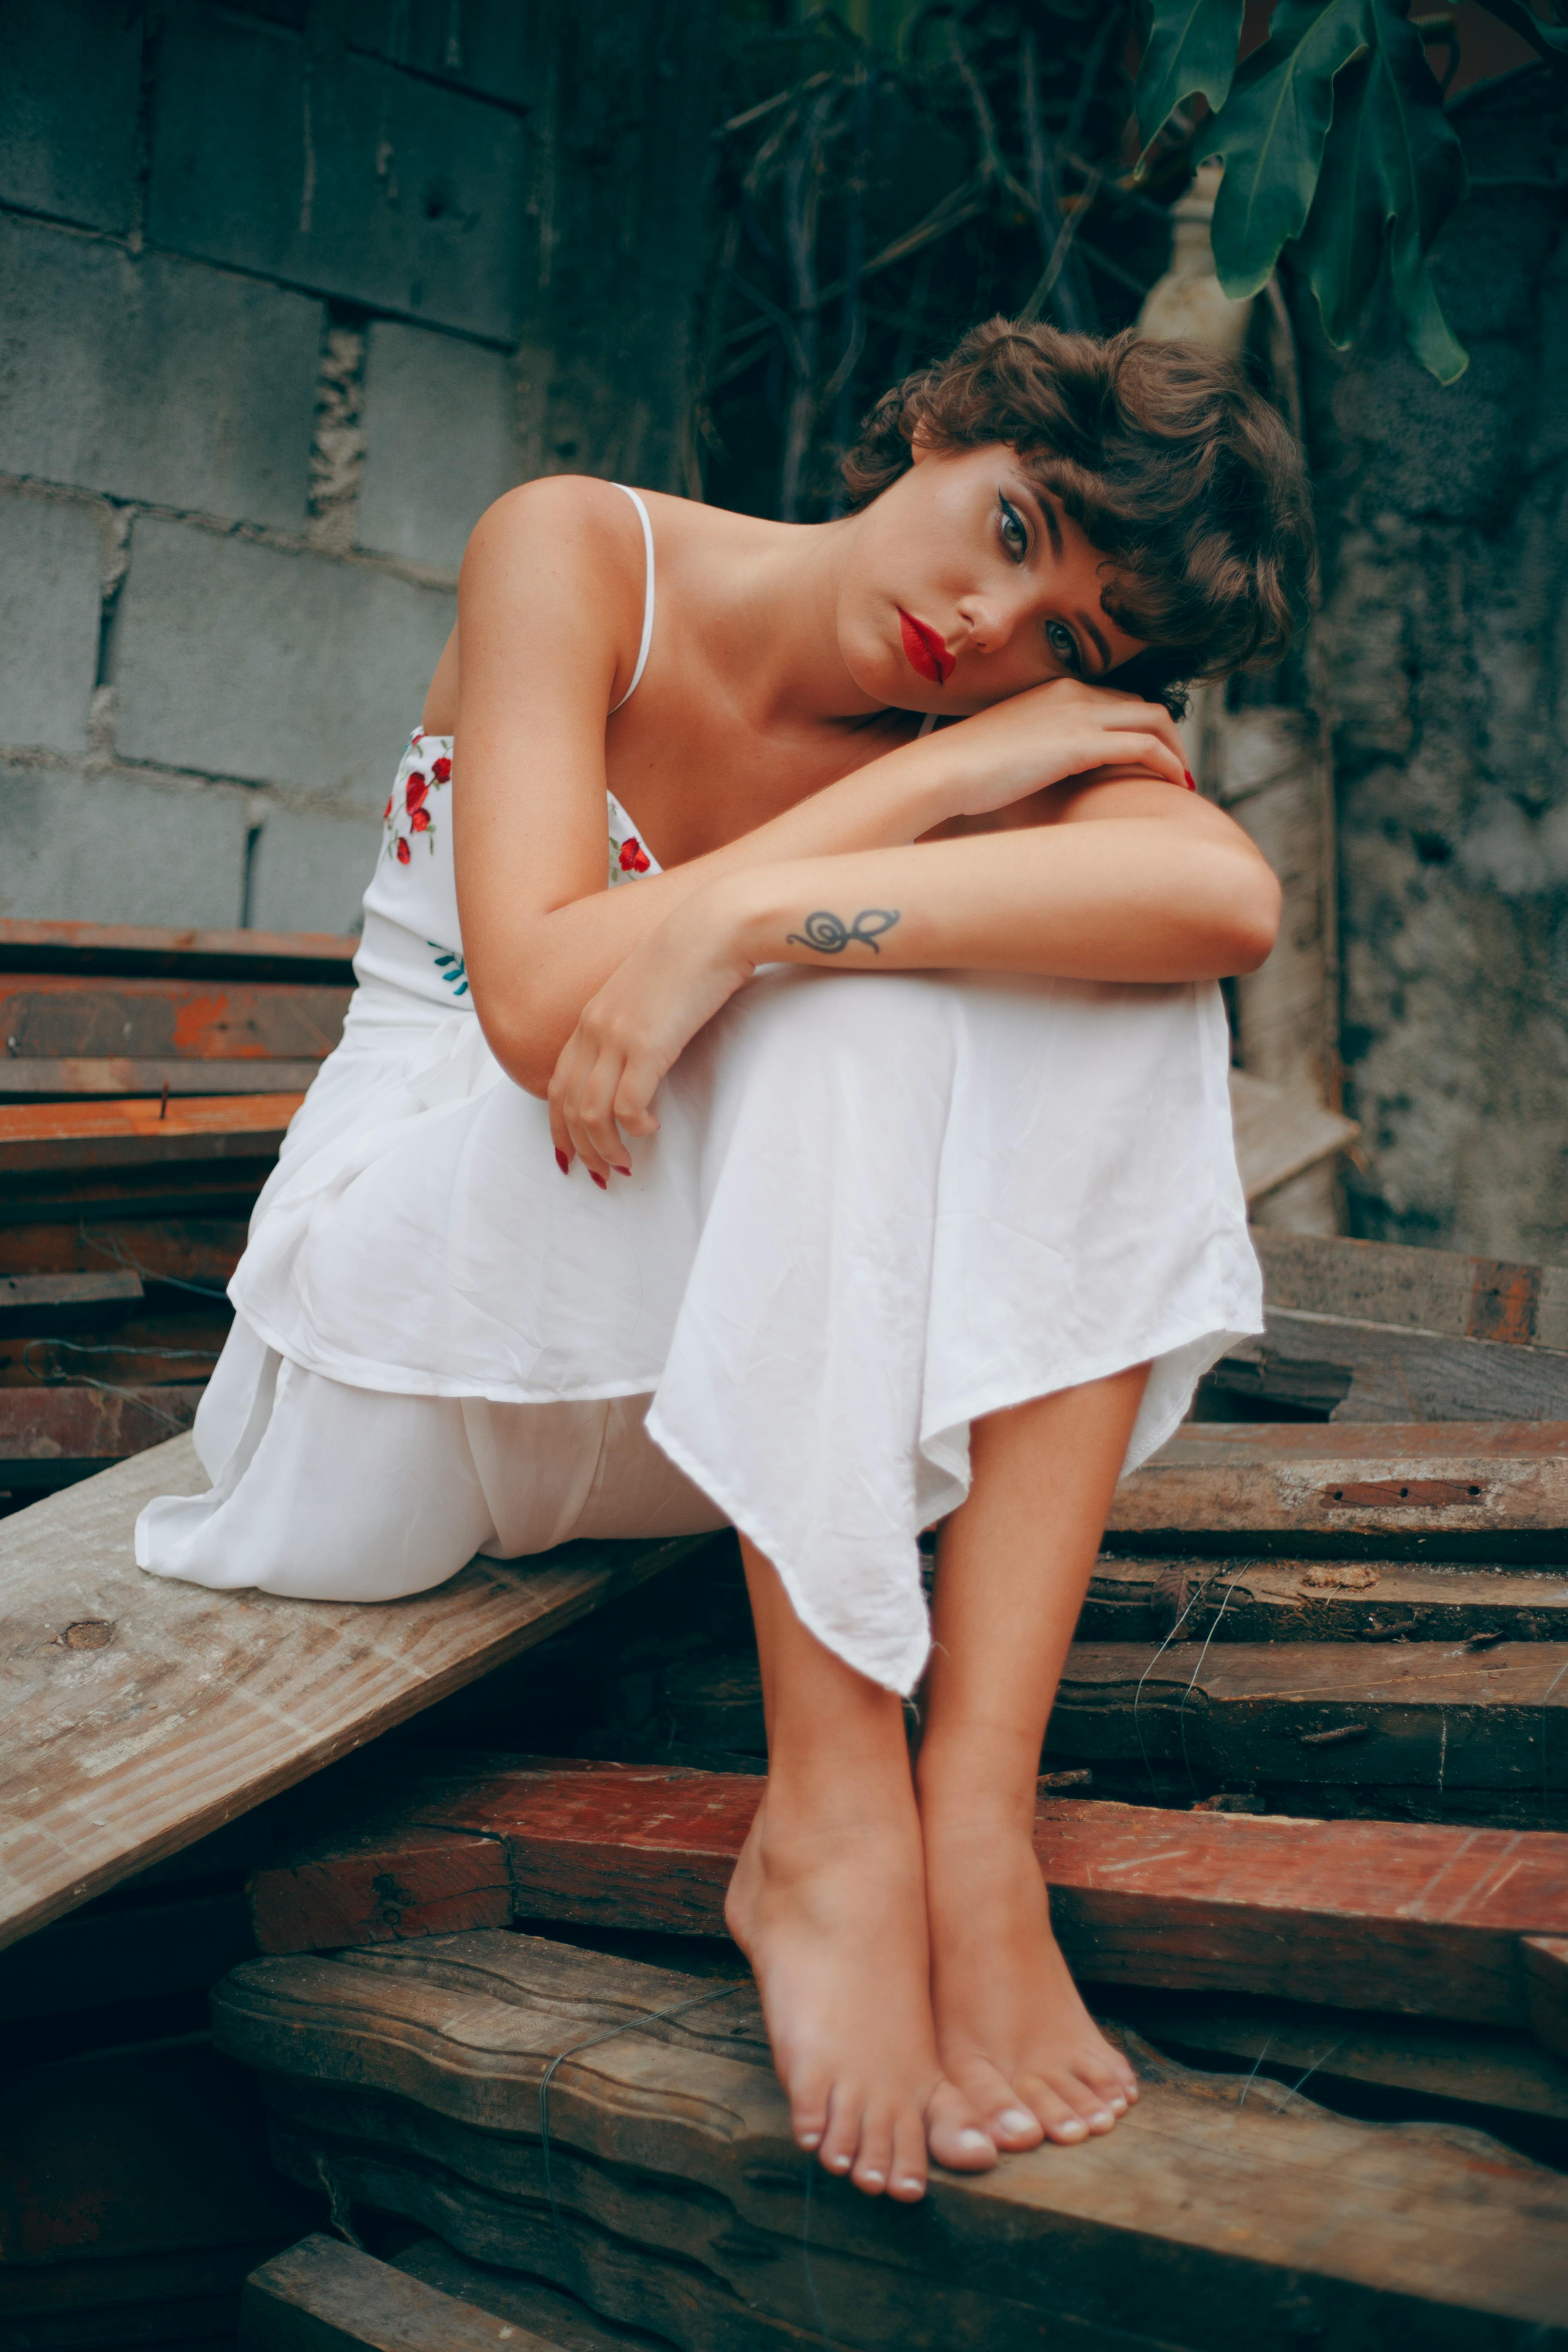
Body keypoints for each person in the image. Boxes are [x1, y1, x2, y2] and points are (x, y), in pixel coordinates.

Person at [138, 318, 1312, 2203]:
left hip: (689, 1400)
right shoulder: (581, 551)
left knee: (1128, 1003)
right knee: (836, 1006)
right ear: (942, 425)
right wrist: (876, 828)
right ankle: (830, 1823)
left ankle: (973, 1823)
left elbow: (1223, 905)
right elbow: (532, 1002)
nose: (994, 634)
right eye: (1015, 530)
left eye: (1072, 643)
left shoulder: (1004, 725)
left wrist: (757, 914)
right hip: (395, 1343)